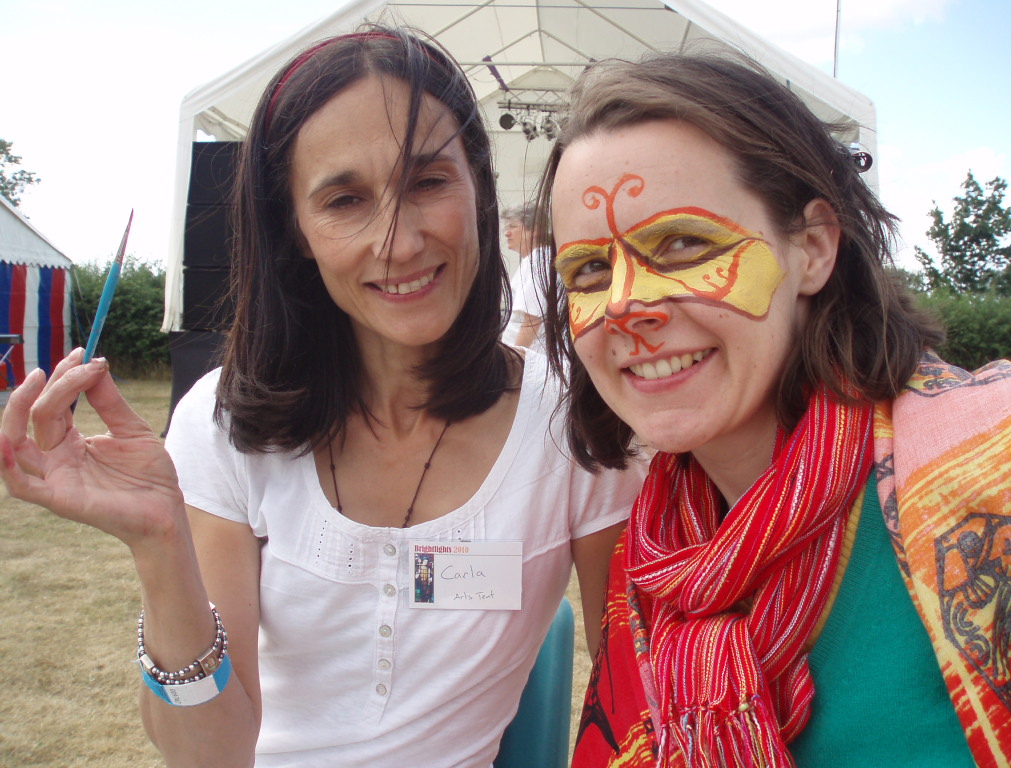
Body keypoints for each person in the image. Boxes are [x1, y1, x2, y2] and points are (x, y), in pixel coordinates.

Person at [0, 28, 643, 767]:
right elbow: (209, 756)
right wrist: (160, 544)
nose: (399, 242)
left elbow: (636, 702)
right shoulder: (224, 424)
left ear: (479, 186)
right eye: (345, 200)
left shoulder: (572, 423)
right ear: (297, 231)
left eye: (428, 182)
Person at [534, 51, 1011, 767]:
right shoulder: (651, 563)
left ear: (814, 248)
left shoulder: (1004, 473)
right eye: (590, 270)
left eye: (682, 244)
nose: (625, 307)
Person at [500, 203, 546, 350]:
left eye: (513, 226)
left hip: (528, 357)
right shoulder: (535, 259)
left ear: (534, 229)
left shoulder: (538, 260)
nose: (507, 233)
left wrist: (514, 358)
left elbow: (532, 320)